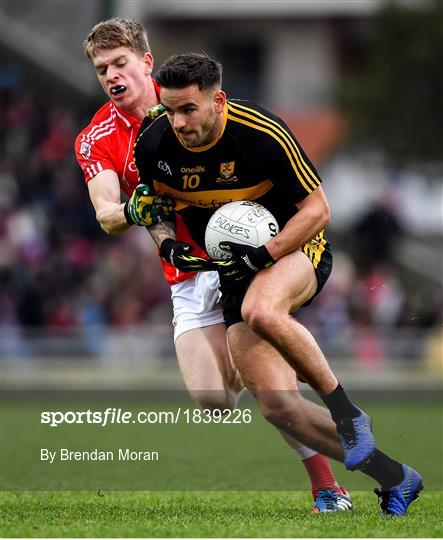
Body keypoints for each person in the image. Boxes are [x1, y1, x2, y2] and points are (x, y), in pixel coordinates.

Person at [74, 18, 355, 513]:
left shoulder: (194, 110)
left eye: (120, 63)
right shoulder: (97, 137)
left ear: (145, 64)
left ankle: (329, 485)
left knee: (270, 389)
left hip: (242, 260)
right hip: (183, 271)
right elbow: (105, 213)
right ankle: (297, 375)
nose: (112, 76)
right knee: (214, 399)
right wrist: (130, 212)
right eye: (102, 70)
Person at [132, 52, 423, 516]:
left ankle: (347, 414)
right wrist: (165, 244)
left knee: (262, 310)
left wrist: (264, 254)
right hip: (233, 272)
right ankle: (397, 478)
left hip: (291, 250)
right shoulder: (154, 143)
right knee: (278, 407)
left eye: (189, 109)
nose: (179, 122)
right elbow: (154, 210)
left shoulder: (261, 131)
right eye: (170, 110)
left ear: (217, 100)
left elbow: (318, 210)